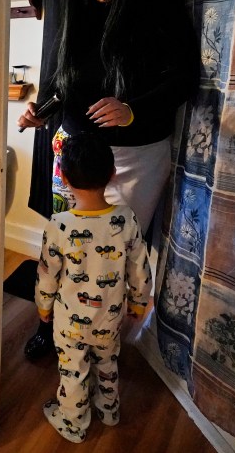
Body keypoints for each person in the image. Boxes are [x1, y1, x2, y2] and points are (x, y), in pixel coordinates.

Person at [17, 0, 199, 360]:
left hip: (136, 157)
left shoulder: (161, 10)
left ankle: (103, 335)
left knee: (112, 254)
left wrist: (133, 109)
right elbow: (65, 85)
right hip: (77, 153)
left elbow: (185, 80)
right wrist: (42, 113)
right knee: (63, 245)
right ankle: (52, 324)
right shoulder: (79, 12)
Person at [35, 133, 150, 443]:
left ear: (66, 179)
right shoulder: (127, 219)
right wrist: (138, 304)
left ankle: (73, 422)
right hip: (109, 320)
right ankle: (109, 410)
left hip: (70, 321)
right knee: (107, 362)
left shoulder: (58, 225)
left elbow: (47, 275)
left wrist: (43, 307)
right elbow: (140, 269)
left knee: (73, 371)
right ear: (112, 174)